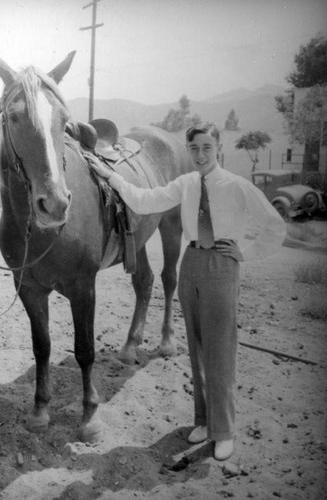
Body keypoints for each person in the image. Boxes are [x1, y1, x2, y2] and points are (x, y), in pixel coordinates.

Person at [85, 123, 286, 461]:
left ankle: (225, 432)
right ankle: (205, 422)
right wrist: (110, 176)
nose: (200, 155)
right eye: (194, 149)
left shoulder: (237, 186)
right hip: (191, 261)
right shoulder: (186, 184)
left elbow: (274, 225)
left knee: (220, 349)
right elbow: (144, 200)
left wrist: (246, 253)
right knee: (197, 346)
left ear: (218, 149)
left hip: (222, 264)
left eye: (207, 148)